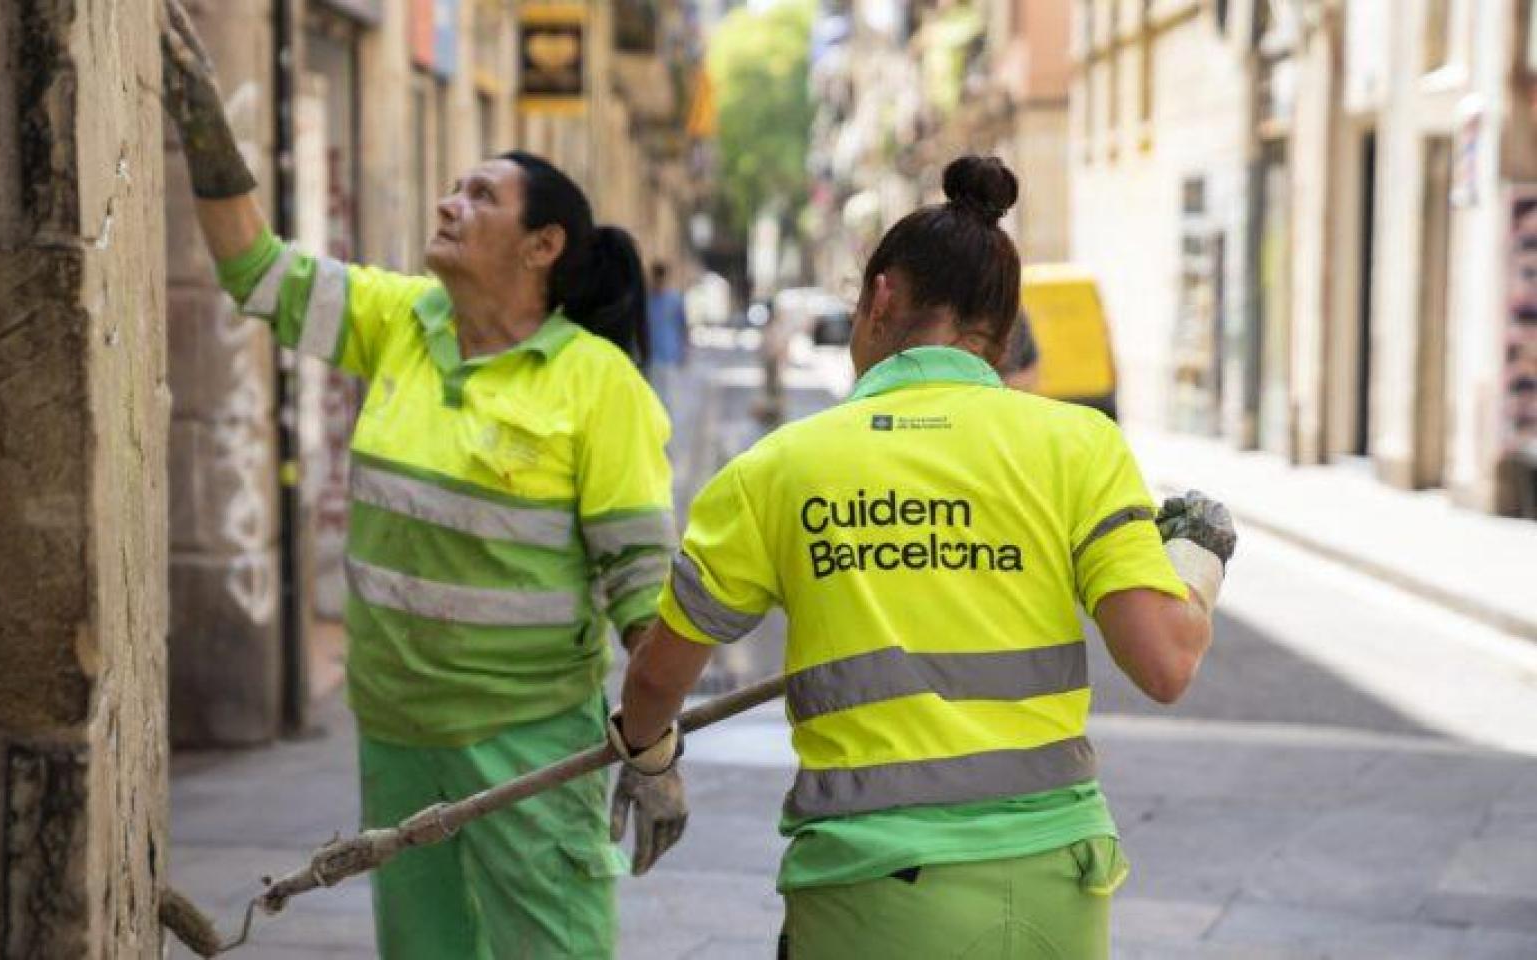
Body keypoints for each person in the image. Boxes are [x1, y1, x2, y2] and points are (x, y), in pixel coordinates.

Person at [606, 155, 1237, 959]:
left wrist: (650, 757)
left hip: (871, 894)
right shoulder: (1079, 445)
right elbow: (1165, 663)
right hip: (1056, 888)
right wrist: (1196, 556)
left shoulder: (779, 468)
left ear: (881, 299)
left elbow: (656, 679)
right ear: (1002, 333)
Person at [160, 4, 687, 957]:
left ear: (542, 246)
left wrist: (653, 753)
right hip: (397, 733)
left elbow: (643, 594)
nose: (449, 204)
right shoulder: (402, 318)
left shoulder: (597, 384)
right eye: (452, 188)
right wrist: (205, 129)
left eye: (480, 196)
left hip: (530, 745)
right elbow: (255, 272)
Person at [646, 261, 691, 412]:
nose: (657, 282)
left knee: (667, 397)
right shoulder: (646, 300)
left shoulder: (674, 299)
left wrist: (684, 351)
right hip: (651, 355)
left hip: (670, 355)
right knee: (652, 396)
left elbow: (683, 326)